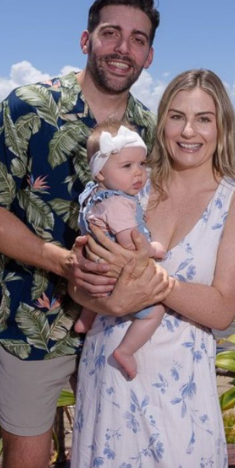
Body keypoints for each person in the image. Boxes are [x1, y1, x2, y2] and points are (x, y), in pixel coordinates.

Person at [0, 0, 172, 468]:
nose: (124, 47)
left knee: (119, 460)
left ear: (149, 54)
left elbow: (160, 214)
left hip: (119, 323)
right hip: (35, 322)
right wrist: (64, 262)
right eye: (111, 33)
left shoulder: (149, 125)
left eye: (137, 39)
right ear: (86, 39)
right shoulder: (30, 107)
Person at [69, 69, 235, 468]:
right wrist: (100, 290)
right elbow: (79, 281)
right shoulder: (132, 180)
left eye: (203, 118)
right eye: (176, 117)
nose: (188, 130)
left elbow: (222, 308)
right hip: (109, 378)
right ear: (162, 123)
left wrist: (151, 280)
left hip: (181, 396)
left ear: (221, 126)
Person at [74, 120, 166, 379]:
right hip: (116, 276)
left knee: (96, 290)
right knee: (154, 312)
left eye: (142, 164)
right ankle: (125, 351)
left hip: (97, 272)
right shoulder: (118, 203)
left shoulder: (93, 195)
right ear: (100, 173)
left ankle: (85, 318)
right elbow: (131, 245)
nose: (138, 173)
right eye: (127, 166)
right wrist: (155, 249)